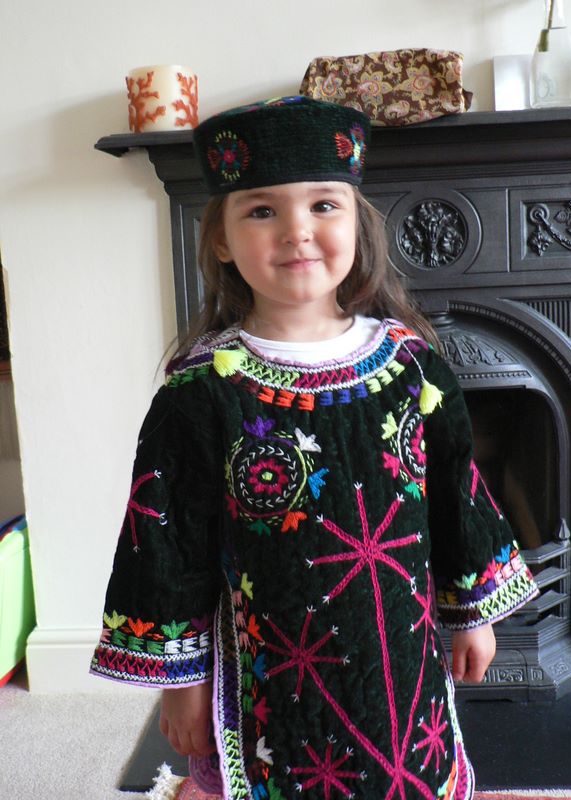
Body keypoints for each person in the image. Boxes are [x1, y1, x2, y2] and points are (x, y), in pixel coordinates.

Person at [91, 96, 538, 800]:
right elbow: (166, 542)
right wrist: (183, 685)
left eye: (323, 205)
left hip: (400, 658)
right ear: (220, 239)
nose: (297, 231)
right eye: (261, 211)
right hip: (268, 673)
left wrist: (472, 612)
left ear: (357, 222)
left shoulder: (412, 368)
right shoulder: (200, 394)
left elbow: (457, 492)